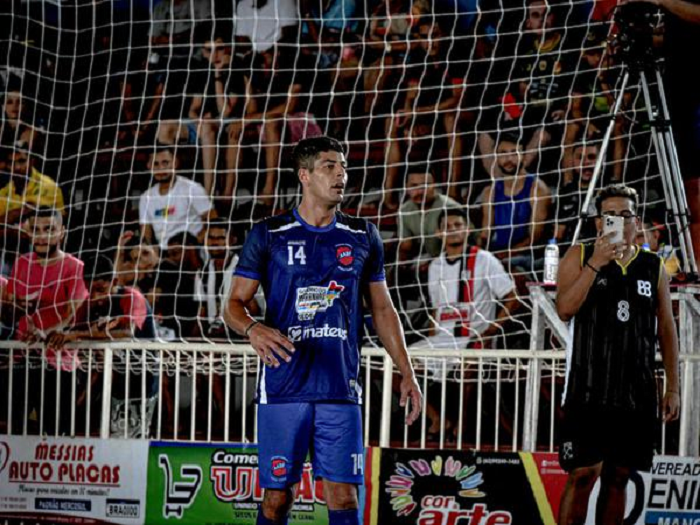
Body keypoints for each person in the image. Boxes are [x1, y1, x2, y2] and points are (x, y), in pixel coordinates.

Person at [224, 136, 422, 525]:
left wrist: (407, 371)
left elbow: (382, 308)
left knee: (344, 498)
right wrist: (252, 328)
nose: (341, 174)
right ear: (305, 175)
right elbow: (232, 305)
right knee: (278, 499)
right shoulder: (268, 233)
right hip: (283, 387)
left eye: (343, 166)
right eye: (330, 166)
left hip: (340, 387)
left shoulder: (363, 234)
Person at [556, 184, 680, 525]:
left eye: (625, 215)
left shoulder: (653, 266)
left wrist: (673, 386)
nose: (618, 221)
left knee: (619, 475)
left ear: (636, 222)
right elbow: (565, 309)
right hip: (588, 388)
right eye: (609, 215)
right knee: (583, 473)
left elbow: (667, 329)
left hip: (636, 391)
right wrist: (596, 263)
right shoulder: (578, 255)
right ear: (598, 222)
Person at [48, 255, 158, 438]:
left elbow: (127, 332)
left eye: (101, 289)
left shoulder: (131, 297)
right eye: (91, 289)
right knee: (98, 436)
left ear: (113, 281)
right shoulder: (91, 302)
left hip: (140, 378)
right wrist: (51, 334)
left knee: (129, 438)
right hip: (108, 380)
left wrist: (77, 334)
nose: (96, 296)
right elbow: (72, 327)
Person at [480, 134, 552, 273]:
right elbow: (485, 233)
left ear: (524, 156)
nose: (508, 159)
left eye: (514, 153)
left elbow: (534, 238)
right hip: (498, 254)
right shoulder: (491, 191)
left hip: (528, 256)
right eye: (503, 154)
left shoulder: (537, 189)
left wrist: (503, 256)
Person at [139, 145, 214, 249]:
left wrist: (196, 242)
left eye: (165, 163)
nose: (161, 168)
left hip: (192, 250)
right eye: (155, 164)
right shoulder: (145, 197)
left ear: (175, 163)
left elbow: (213, 222)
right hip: (163, 254)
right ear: (148, 166)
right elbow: (146, 235)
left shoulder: (192, 189)